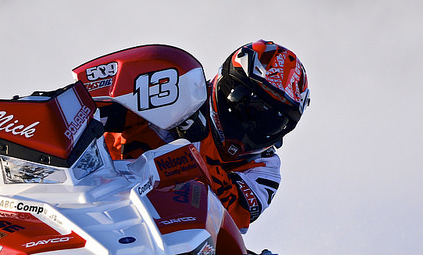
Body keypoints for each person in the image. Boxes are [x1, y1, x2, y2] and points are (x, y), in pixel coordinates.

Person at [102, 40, 310, 233]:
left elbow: (234, 217)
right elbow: (101, 106)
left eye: (270, 122)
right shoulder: (174, 88)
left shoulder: (265, 170)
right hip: (100, 196)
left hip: (173, 241)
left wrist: (193, 145)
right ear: (228, 87)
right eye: (249, 110)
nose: (251, 126)